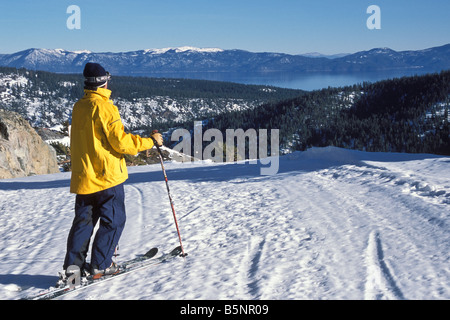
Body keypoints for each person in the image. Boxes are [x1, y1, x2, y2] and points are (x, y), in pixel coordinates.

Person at [63, 62, 163, 279]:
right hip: (107, 178)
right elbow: (121, 143)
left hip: (84, 178)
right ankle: (100, 265)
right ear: (103, 82)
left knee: (83, 225)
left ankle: (73, 270)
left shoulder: (79, 107)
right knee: (114, 221)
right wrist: (149, 142)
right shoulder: (106, 108)